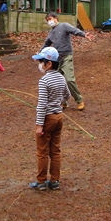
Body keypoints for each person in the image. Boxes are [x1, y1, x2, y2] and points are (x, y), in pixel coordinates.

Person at [29, 47, 71, 191]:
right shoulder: (61, 77)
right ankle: (54, 181)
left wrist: (39, 124)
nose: (40, 64)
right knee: (55, 150)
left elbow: (41, 105)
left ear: (49, 64)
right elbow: (68, 95)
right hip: (59, 117)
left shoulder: (44, 81)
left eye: (41, 61)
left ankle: (41, 181)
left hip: (47, 119)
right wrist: (58, 102)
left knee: (42, 151)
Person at [42, 12, 95, 110]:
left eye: (50, 19)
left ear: (55, 18)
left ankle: (79, 100)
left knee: (69, 80)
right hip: (56, 59)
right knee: (56, 81)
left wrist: (84, 35)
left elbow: (74, 31)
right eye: (47, 20)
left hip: (66, 57)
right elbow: (46, 45)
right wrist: (40, 55)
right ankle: (63, 102)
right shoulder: (51, 33)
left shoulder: (64, 26)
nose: (49, 21)